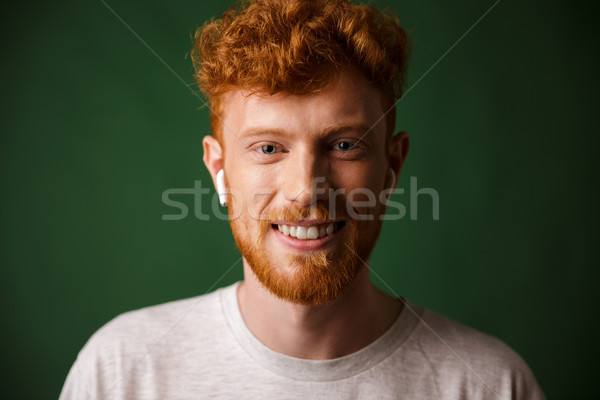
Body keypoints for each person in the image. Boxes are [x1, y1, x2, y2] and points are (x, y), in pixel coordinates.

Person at [60, 0, 545, 398]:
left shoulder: (491, 385)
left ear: (391, 168)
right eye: (268, 148)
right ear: (219, 170)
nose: (306, 189)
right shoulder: (120, 371)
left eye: (344, 145)